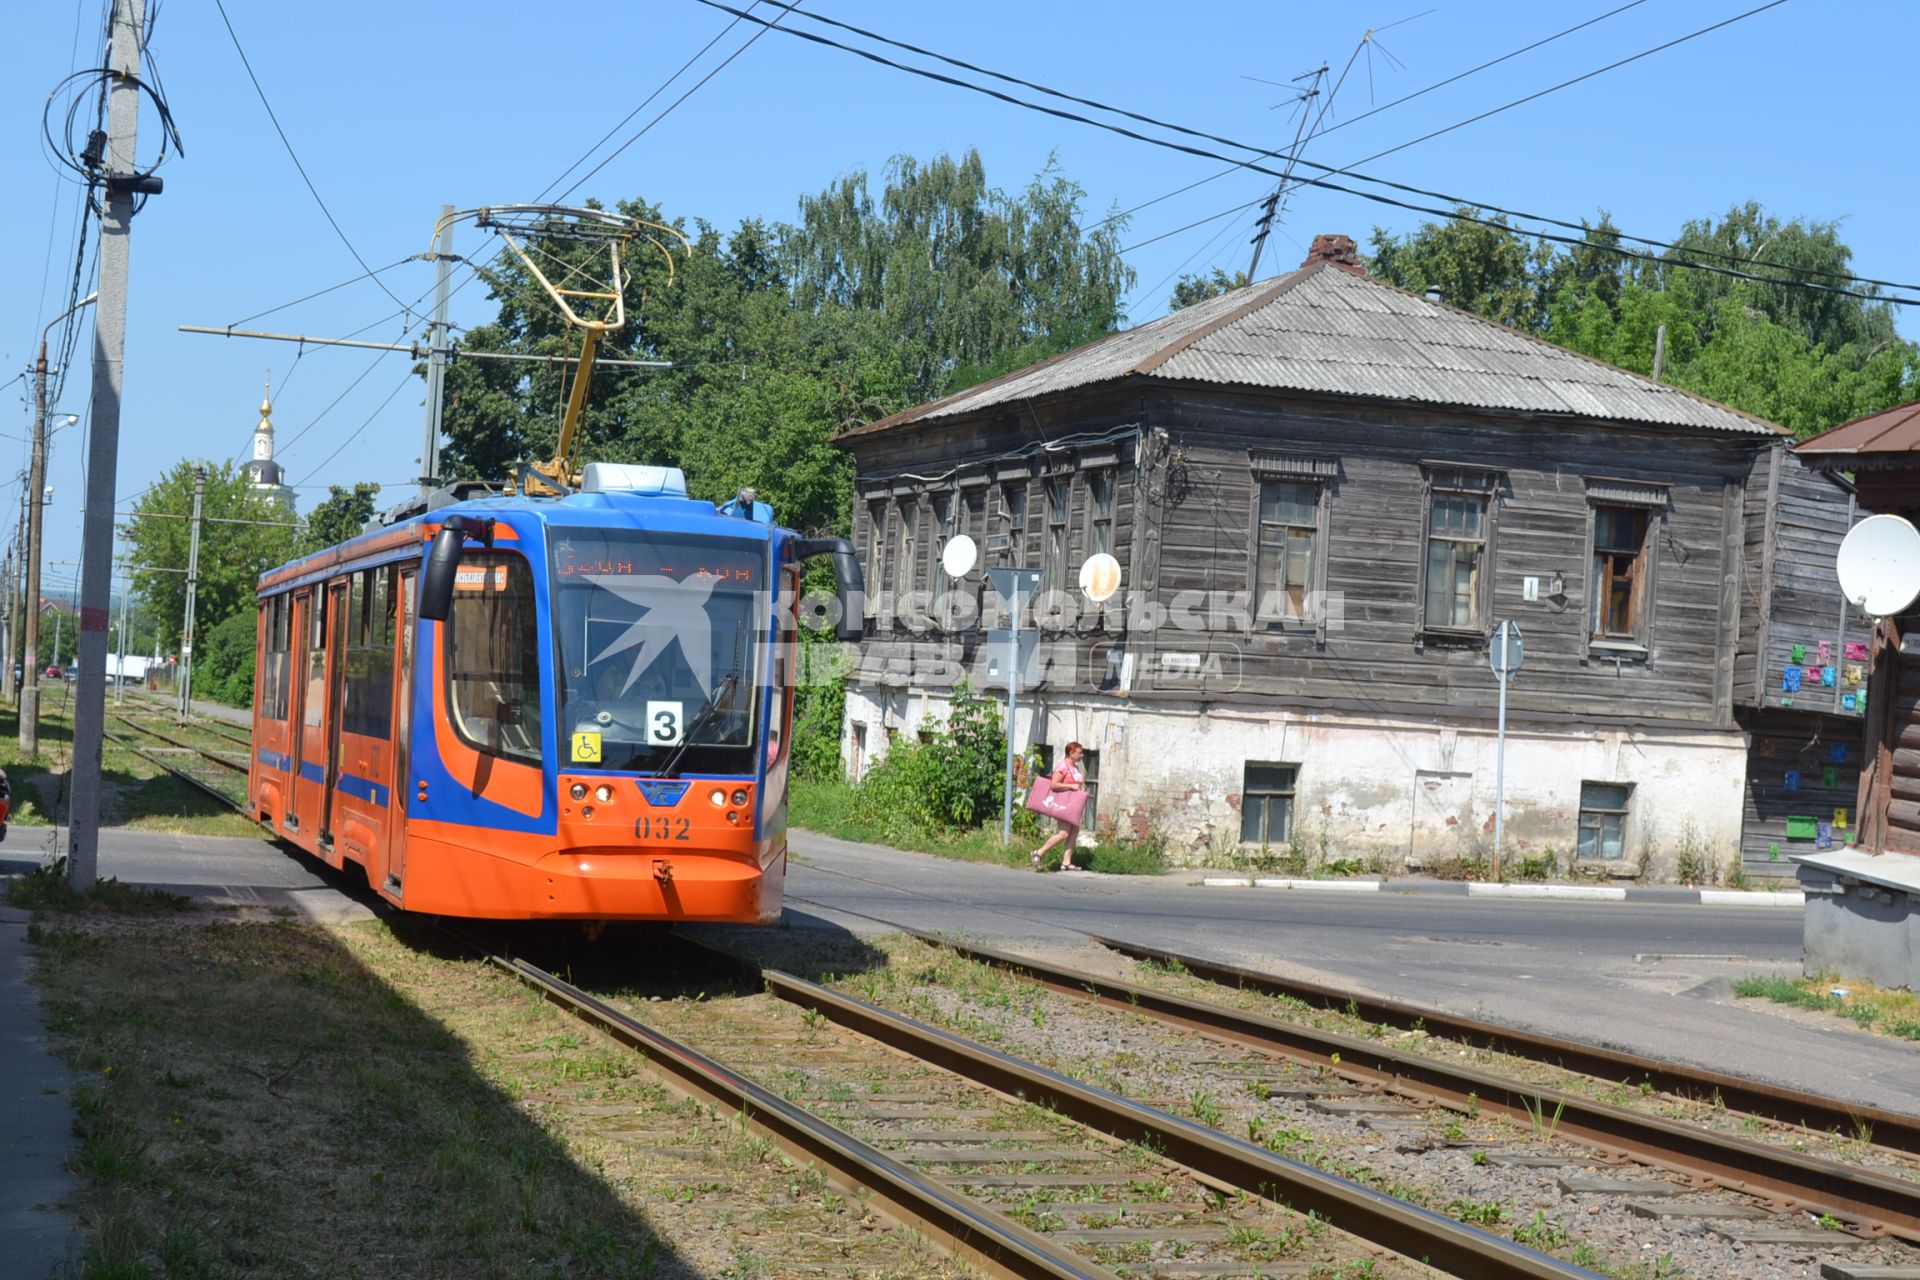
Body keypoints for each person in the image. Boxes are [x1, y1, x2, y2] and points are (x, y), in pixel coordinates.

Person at [1031, 741, 1087, 872]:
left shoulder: (1075, 767)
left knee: (1074, 831)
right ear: (1071, 753)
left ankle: (1066, 862)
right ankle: (1038, 853)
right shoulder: (1062, 766)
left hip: (1073, 806)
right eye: (1080, 752)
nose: (1082, 755)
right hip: (1064, 805)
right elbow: (1053, 784)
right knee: (1063, 834)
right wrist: (1071, 786)